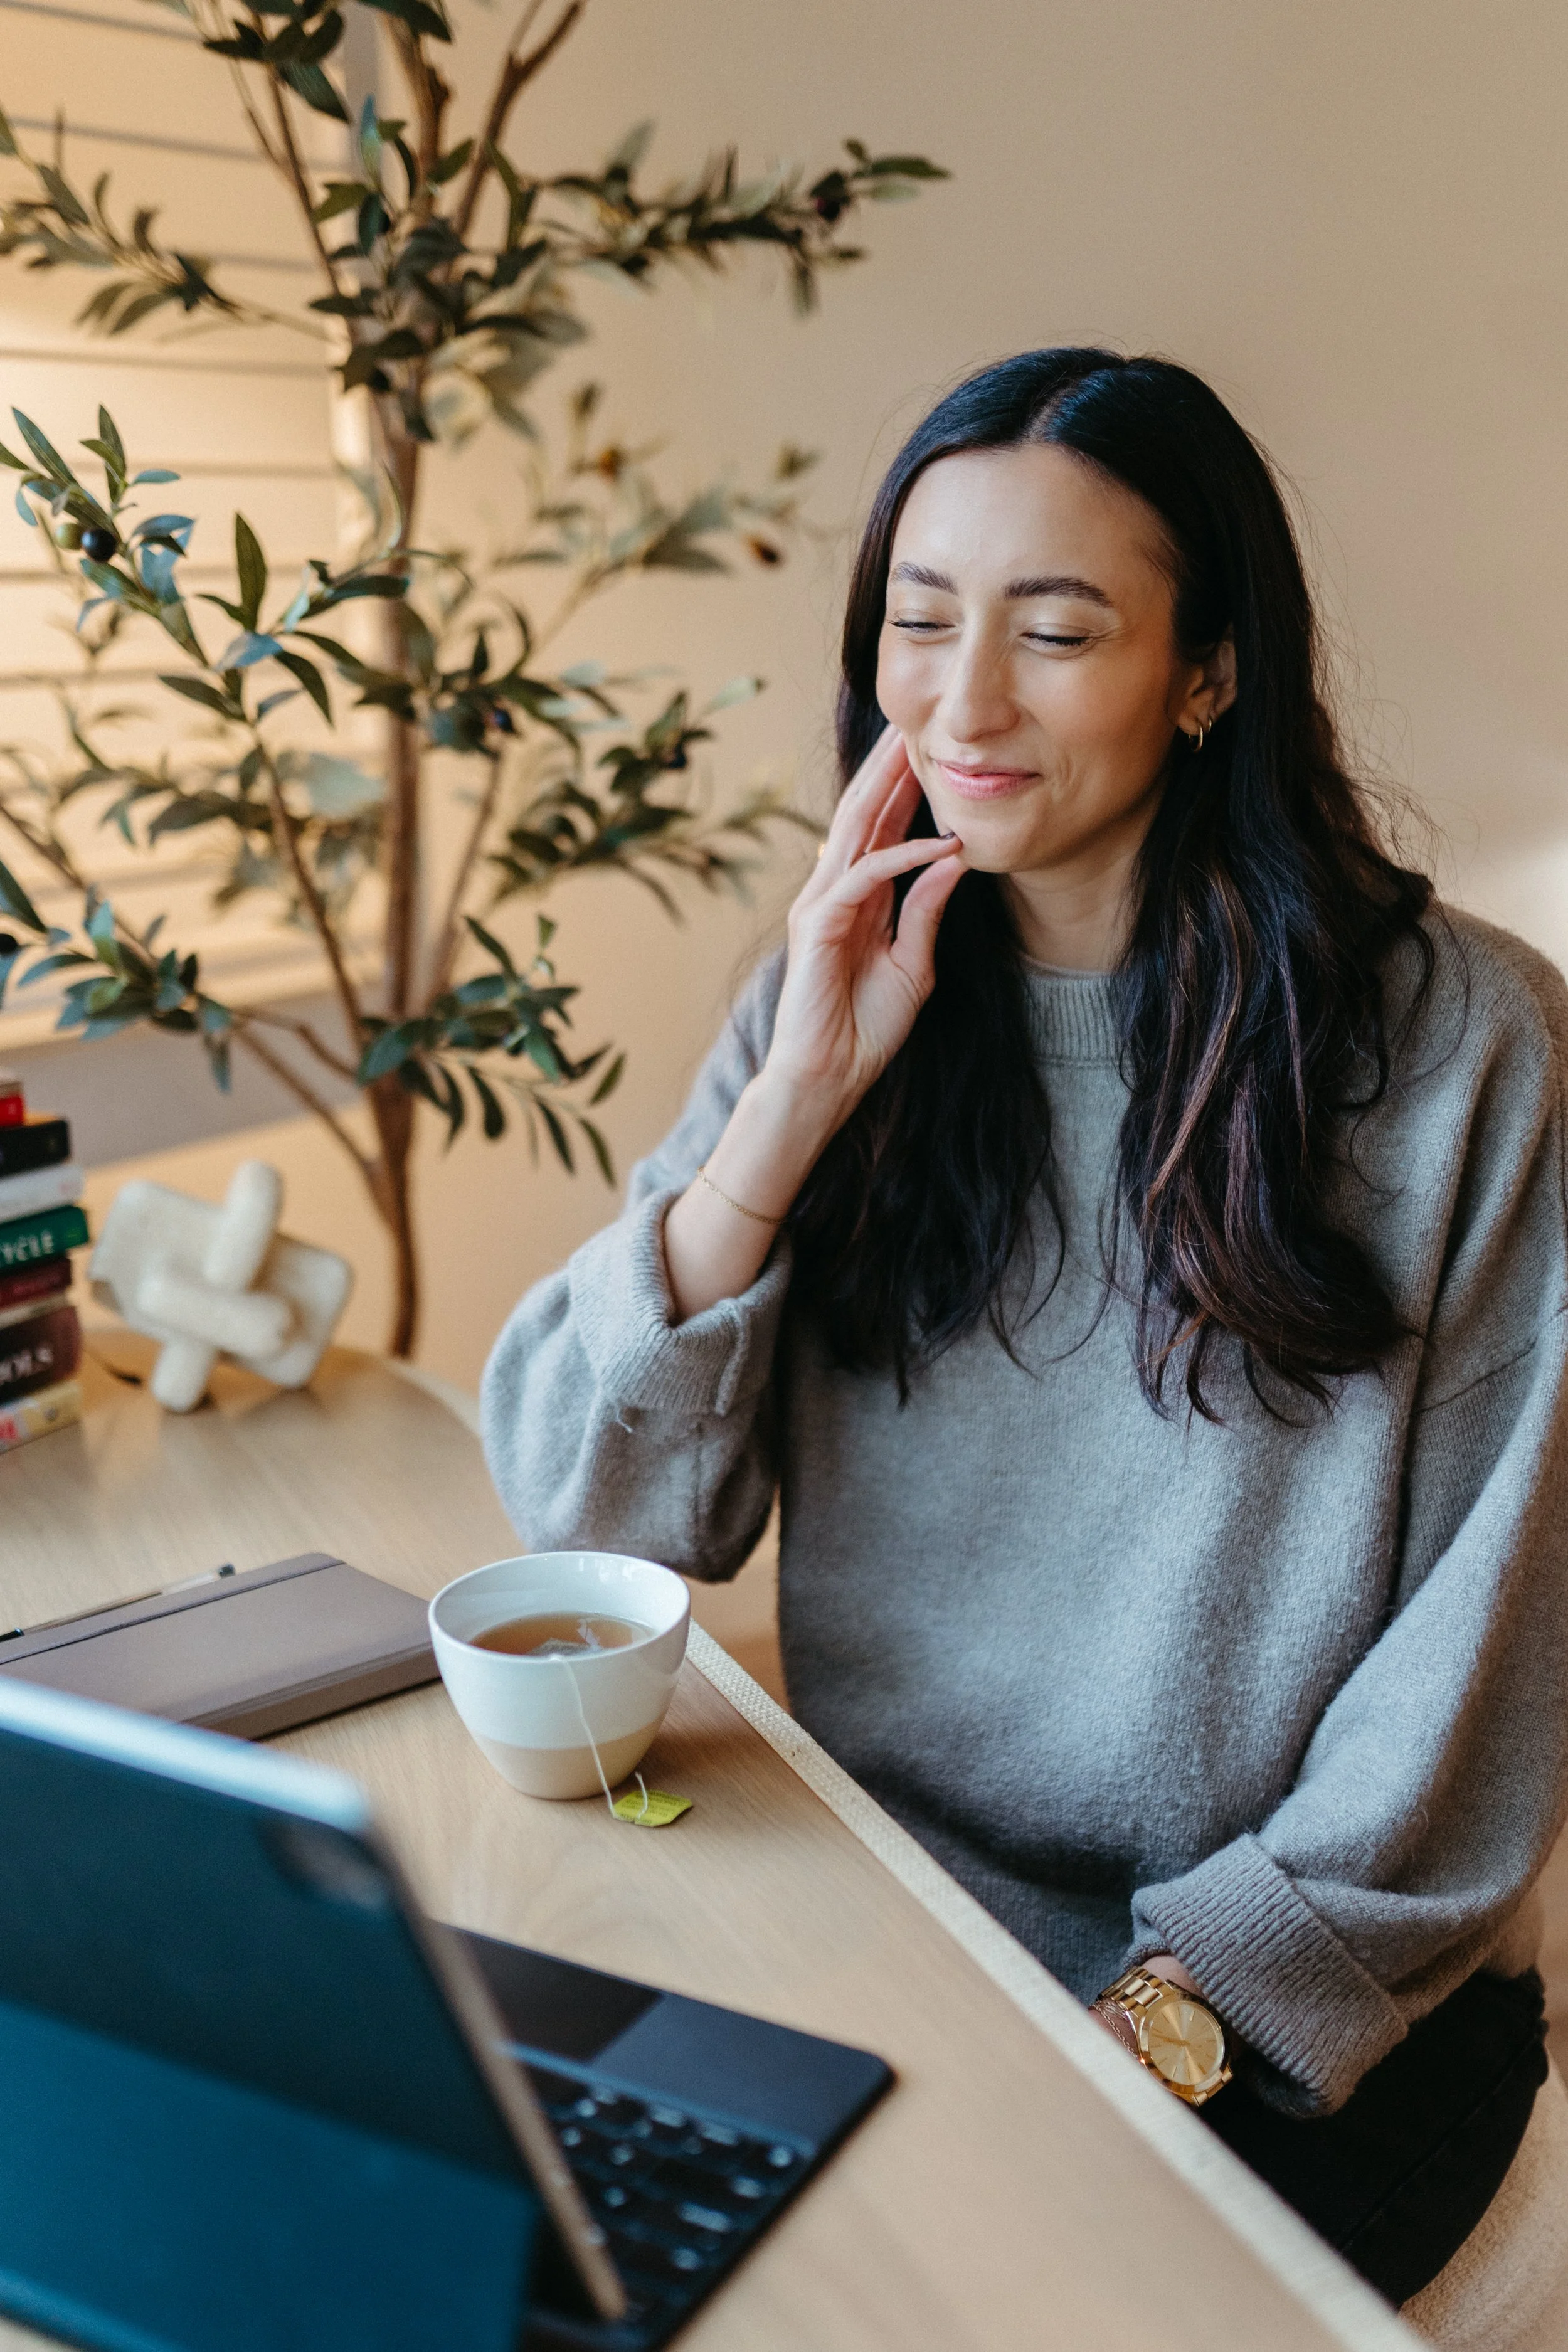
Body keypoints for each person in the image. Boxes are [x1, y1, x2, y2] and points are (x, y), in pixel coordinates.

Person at [481, 348, 1568, 2321]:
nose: (960, 701)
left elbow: (1476, 1696)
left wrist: (1134, 2037)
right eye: (918, 620)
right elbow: (583, 1513)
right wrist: (788, 1103)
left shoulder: (1465, 1047)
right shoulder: (837, 991)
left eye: (1055, 630)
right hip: (884, 1917)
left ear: (1207, 672)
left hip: (1296, 1996)